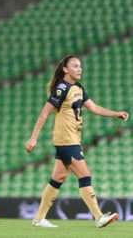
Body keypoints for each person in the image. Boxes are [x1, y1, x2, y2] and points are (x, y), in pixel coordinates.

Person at [25, 55, 129, 228]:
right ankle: (98, 217)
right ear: (65, 69)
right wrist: (33, 137)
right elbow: (44, 113)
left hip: (73, 139)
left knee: (58, 177)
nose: (79, 69)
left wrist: (115, 113)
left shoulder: (78, 88)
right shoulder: (61, 88)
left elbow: (94, 108)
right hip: (65, 140)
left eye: (80, 66)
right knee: (84, 175)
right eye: (75, 66)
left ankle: (39, 218)